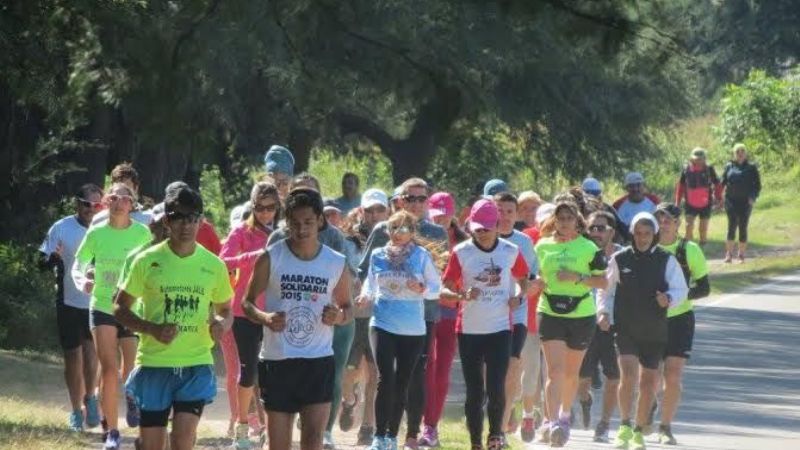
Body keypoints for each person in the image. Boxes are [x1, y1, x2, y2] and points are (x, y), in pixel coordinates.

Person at [114, 185, 233, 450]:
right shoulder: (146, 261)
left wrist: (221, 324)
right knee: (153, 445)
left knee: (182, 439)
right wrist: (152, 328)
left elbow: (226, 309)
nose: (186, 225)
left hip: (195, 364)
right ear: (167, 220)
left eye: (192, 218)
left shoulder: (214, 266)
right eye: (179, 217)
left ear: (201, 221)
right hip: (155, 363)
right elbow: (119, 308)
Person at [243, 188, 353, 450]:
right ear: (286, 221)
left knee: (313, 440)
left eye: (308, 222)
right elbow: (246, 303)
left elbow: (348, 309)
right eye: (294, 222)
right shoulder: (271, 256)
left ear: (320, 221)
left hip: (317, 362)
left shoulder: (336, 262)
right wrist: (265, 317)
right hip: (278, 360)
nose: (301, 229)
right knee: (278, 444)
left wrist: (338, 317)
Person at [358, 177, 448, 449]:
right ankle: (379, 435)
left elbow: (437, 284)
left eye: (423, 198)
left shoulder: (428, 245)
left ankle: (404, 435)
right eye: (412, 198)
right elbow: (368, 276)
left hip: (419, 320)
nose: (399, 232)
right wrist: (365, 294)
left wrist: (421, 287)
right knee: (386, 376)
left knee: (410, 378)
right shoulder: (379, 245)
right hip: (384, 318)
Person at [440, 199, 529, 450]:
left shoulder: (510, 250)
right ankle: (475, 442)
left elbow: (525, 280)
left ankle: (495, 435)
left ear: (497, 225)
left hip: (500, 328)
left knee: (496, 387)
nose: (482, 233)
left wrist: (518, 297)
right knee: (474, 390)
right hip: (469, 330)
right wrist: (461, 295)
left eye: (487, 228)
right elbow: (445, 286)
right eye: (477, 228)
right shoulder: (462, 252)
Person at [598, 212, 688, 450]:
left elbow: (681, 290)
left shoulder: (666, 260)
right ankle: (624, 426)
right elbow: (606, 290)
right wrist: (603, 313)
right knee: (627, 374)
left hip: (654, 330)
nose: (643, 238)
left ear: (654, 234)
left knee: (648, 383)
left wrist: (668, 298)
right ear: (632, 234)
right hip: (626, 327)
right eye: (638, 233)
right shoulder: (619, 259)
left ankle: (638, 430)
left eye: (647, 233)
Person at [72, 183, 152, 449]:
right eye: (114, 198)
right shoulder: (96, 232)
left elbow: (153, 268)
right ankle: (112, 432)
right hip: (102, 305)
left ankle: (131, 396)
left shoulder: (142, 234)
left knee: (130, 369)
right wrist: (82, 280)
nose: (119, 203)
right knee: (107, 369)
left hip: (130, 308)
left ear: (132, 204)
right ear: (106, 201)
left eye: (125, 199)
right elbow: (79, 263)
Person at [534, 200, 607, 447]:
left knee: (570, 373)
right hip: (549, 311)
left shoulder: (589, 247)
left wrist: (578, 277)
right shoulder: (542, 246)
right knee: (554, 371)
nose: (564, 222)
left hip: (580, 313)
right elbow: (535, 275)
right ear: (554, 220)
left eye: (569, 218)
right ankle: (552, 421)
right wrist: (536, 283)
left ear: (578, 221)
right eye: (560, 218)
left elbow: (603, 282)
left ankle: (565, 416)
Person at [39, 183, 104, 432]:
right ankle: (76, 411)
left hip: (96, 303)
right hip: (67, 302)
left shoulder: (107, 229)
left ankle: (92, 398)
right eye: (86, 204)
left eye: (96, 205)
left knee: (93, 356)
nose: (90, 209)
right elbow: (42, 259)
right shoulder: (61, 227)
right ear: (77, 204)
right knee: (72, 359)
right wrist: (51, 259)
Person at [220, 182, 280, 449]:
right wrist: (253, 256)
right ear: (252, 205)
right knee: (248, 370)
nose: (266, 213)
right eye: (260, 207)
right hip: (244, 310)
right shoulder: (241, 231)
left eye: (271, 207)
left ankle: (270, 428)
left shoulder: (283, 233)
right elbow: (224, 261)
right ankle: (242, 428)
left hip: (275, 310)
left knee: (272, 372)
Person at [653, 203, 710, 445]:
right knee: (651, 377)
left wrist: (677, 297)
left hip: (680, 319)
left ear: (678, 224)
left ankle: (665, 426)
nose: (663, 224)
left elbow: (704, 287)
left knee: (673, 375)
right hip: (650, 320)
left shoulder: (689, 249)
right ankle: (652, 401)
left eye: (668, 220)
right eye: (660, 219)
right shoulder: (645, 246)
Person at [339, 189, 389, 445]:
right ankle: (348, 400)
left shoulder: (394, 239)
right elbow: (347, 272)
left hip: (382, 315)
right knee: (348, 372)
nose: (374, 215)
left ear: (388, 210)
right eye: (369, 210)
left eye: (379, 209)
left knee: (376, 371)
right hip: (355, 314)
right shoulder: (348, 240)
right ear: (361, 211)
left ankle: (368, 426)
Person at [419, 191, 467, 448]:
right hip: (424, 310)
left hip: (450, 311)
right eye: (436, 217)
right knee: (426, 368)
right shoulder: (421, 238)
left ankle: (432, 426)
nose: (440, 222)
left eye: (445, 217)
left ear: (453, 216)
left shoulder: (463, 242)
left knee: (442, 370)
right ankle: (422, 421)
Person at [493, 193, 539, 446]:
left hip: (516, 313)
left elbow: (531, 278)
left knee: (512, 368)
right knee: (492, 372)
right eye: (499, 210)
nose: (504, 216)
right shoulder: (482, 239)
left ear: (516, 214)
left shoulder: (523, 242)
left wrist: (523, 293)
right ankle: (502, 411)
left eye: (509, 211)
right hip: (487, 315)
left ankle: (499, 432)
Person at [576, 210, 623, 443]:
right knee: (581, 378)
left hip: (616, 324)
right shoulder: (581, 253)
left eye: (601, 228)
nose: (596, 232)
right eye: (592, 228)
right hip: (585, 321)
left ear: (611, 232)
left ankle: (604, 424)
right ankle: (585, 400)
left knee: (614, 376)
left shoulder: (624, 257)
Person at [230, 145, 295, 227]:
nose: (280, 188)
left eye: (285, 183)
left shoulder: (295, 211)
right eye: (276, 183)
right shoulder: (250, 210)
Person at [720, 143, 761, 263]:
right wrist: (717, 195)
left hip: (746, 201)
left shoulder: (751, 167)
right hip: (730, 200)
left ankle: (741, 255)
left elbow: (757, 186)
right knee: (731, 225)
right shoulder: (729, 166)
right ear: (734, 154)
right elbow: (722, 182)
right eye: (737, 151)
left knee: (743, 226)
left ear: (745, 153)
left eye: (742, 151)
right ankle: (728, 254)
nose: (740, 154)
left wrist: (753, 197)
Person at [674, 148, 722, 246]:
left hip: (706, 203)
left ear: (704, 159)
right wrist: (677, 202)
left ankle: (702, 248)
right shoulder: (686, 169)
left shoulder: (709, 169)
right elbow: (681, 186)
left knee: (703, 229)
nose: (698, 161)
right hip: (690, 203)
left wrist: (719, 199)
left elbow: (717, 184)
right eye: (696, 159)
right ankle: (689, 248)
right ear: (691, 158)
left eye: (701, 159)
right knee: (689, 226)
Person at [582, 177, 629, 243]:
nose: (592, 198)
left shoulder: (607, 208)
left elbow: (622, 228)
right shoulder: (578, 209)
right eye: (589, 195)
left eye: (595, 194)